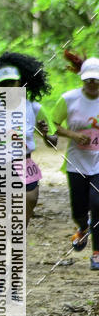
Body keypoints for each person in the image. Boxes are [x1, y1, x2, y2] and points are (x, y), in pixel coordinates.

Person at [0, 54, 55, 292]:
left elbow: (54, 142)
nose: (8, 88)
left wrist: (48, 134)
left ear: (21, 83)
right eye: (3, 85)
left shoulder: (34, 108)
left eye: (12, 83)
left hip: (23, 168)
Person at [52, 53, 99, 269]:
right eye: (88, 79)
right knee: (78, 208)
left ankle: (97, 253)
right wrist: (72, 135)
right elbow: (53, 125)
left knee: (97, 204)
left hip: (98, 163)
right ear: (82, 79)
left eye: (96, 80)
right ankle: (82, 226)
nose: (92, 84)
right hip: (76, 162)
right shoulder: (69, 99)